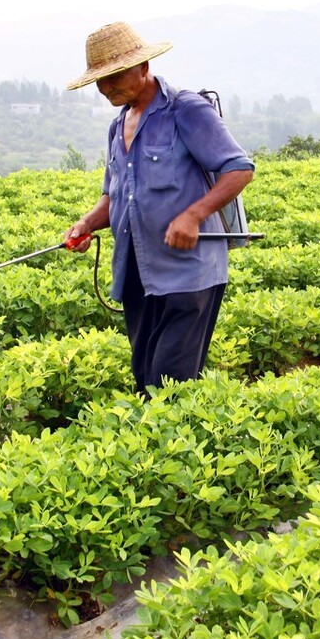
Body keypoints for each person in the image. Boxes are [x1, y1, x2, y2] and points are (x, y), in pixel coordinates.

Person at [64, 21, 255, 394]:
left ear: (143, 67)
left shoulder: (185, 110)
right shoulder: (117, 127)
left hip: (188, 272)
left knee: (170, 385)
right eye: (100, 81)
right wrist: (87, 222)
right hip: (138, 273)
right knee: (144, 378)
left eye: (114, 77)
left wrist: (193, 215)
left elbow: (239, 169)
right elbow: (114, 196)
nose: (105, 88)